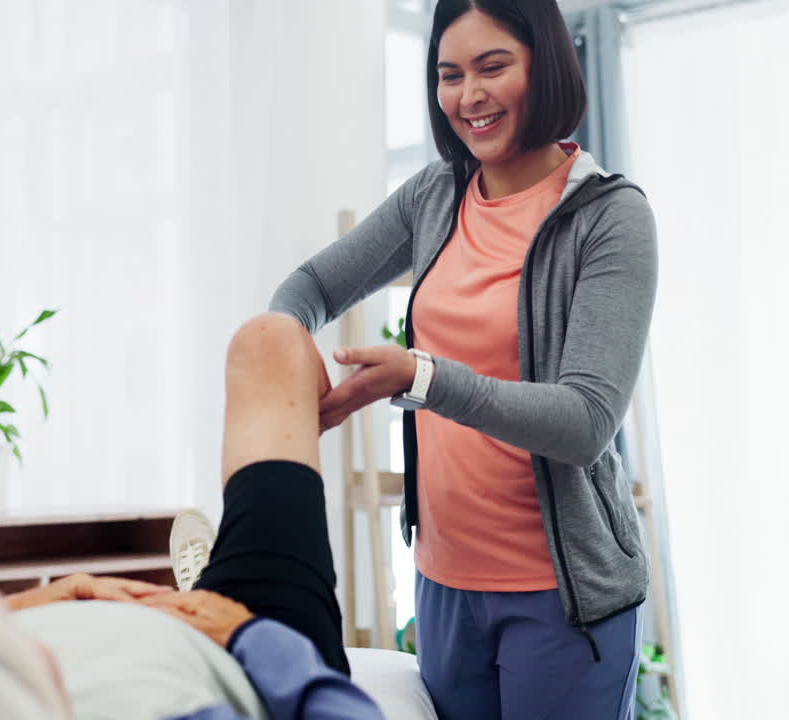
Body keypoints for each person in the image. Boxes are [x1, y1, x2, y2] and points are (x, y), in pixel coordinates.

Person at [268, 1, 657, 718]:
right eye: (449, 74)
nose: (468, 95)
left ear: (544, 65)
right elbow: (312, 287)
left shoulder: (608, 216)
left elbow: (585, 420)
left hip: (562, 599)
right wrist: (280, 355)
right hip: (444, 586)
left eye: (492, 66)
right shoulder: (436, 195)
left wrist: (423, 377)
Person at [0, 313, 385, 720]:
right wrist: (244, 635)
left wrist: (51, 599)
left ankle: (190, 581)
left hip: (149, 622)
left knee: (269, 340)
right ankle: (199, 585)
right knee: (271, 341)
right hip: (233, 643)